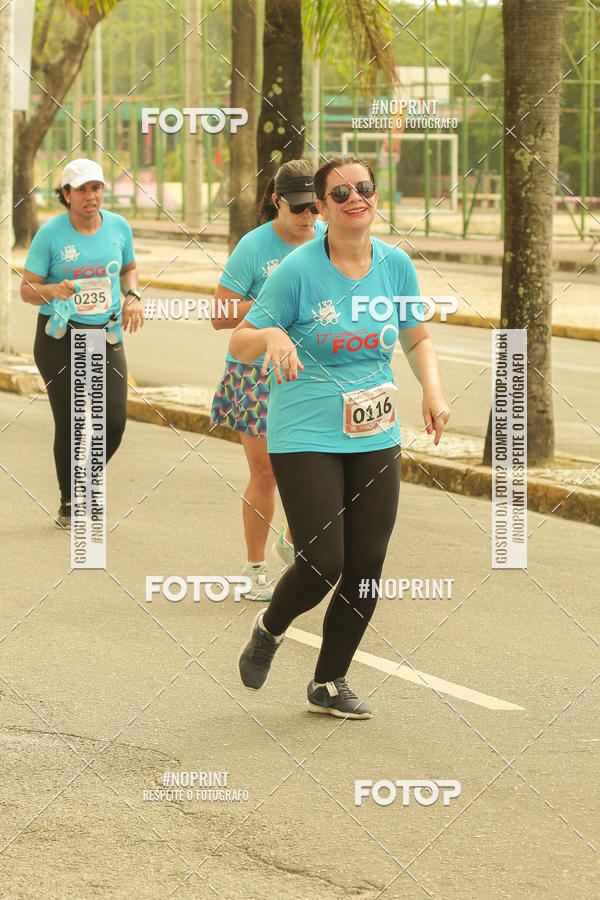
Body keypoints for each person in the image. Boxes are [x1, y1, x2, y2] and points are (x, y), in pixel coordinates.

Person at [230, 154, 450, 719]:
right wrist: (275, 335)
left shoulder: (396, 265)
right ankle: (270, 626)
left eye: (365, 188)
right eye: (341, 192)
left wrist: (433, 390)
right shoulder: (299, 270)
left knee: (368, 563)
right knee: (324, 561)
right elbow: (241, 339)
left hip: (374, 428)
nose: (357, 198)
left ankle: (329, 681)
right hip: (305, 431)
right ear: (323, 208)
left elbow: (417, 336)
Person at [210, 159, 326, 600]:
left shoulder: (328, 241)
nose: (307, 218)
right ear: (276, 201)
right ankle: (254, 567)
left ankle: (292, 540)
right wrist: (270, 307)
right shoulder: (254, 247)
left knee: (310, 471)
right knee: (266, 473)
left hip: (309, 373)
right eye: (297, 208)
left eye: (314, 208)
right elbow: (220, 316)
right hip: (254, 374)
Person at [20, 158, 144, 528]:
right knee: (73, 420)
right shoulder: (51, 234)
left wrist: (133, 296)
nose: (92, 196)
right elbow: (26, 289)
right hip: (60, 334)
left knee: (115, 420)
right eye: (83, 189)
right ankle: (69, 501)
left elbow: (128, 268)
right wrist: (51, 290)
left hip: (104, 333)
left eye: (97, 188)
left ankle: (86, 480)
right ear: (66, 194)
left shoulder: (119, 227)